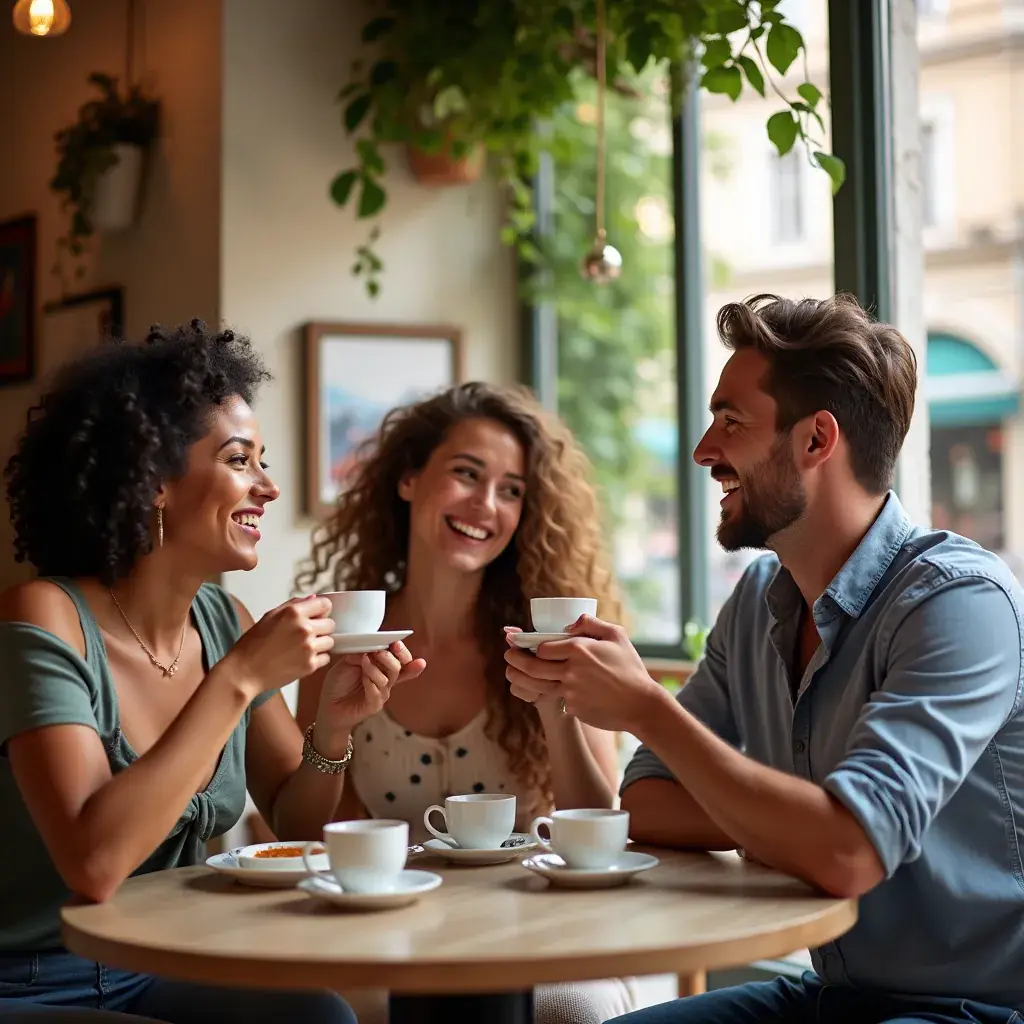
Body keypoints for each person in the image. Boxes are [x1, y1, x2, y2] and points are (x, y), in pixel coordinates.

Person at [504, 294, 1024, 1024]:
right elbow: (644, 808)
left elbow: (847, 855)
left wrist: (647, 707)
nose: (703, 450)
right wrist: (797, 819)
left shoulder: (958, 603)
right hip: (832, 997)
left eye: (731, 420)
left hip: (972, 1010)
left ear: (816, 441)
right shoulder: (757, 601)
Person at [0, 321, 424, 1022]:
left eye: (263, 460)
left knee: (319, 1017)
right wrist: (238, 680)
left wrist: (334, 727)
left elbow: (295, 817)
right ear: (153, 481)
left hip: (155, 960)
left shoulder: (222, 620)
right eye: (240, 460)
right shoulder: (41, 618)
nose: (269, 486)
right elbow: (94, 864)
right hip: (28, 979)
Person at [296, 381, 657, 1024]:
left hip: (546, 929)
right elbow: (320, 839)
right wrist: (333, 731)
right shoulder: (345, 647)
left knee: (574, 1011)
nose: (486, 505)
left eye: (512, 490)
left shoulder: (550, 641)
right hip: (390, 936)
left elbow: (600, 827)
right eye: (467, 474)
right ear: (408, 480)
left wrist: (556, 709)